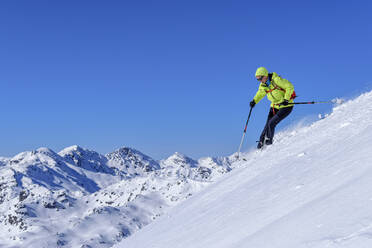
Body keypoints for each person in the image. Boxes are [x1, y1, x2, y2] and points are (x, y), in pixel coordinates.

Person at [249, 67, 295, 149]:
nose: (259, 81)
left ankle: (269, 144)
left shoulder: (276, 80)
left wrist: (286, 99)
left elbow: (289, 86)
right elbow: (260, 93)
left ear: (265, 75)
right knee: (267, 125)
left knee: (271, 123)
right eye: (258, 79)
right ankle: (261, 143)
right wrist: (254, 101)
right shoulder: (263, 85)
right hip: (275, 106)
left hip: (286, 106)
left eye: (260, 78)